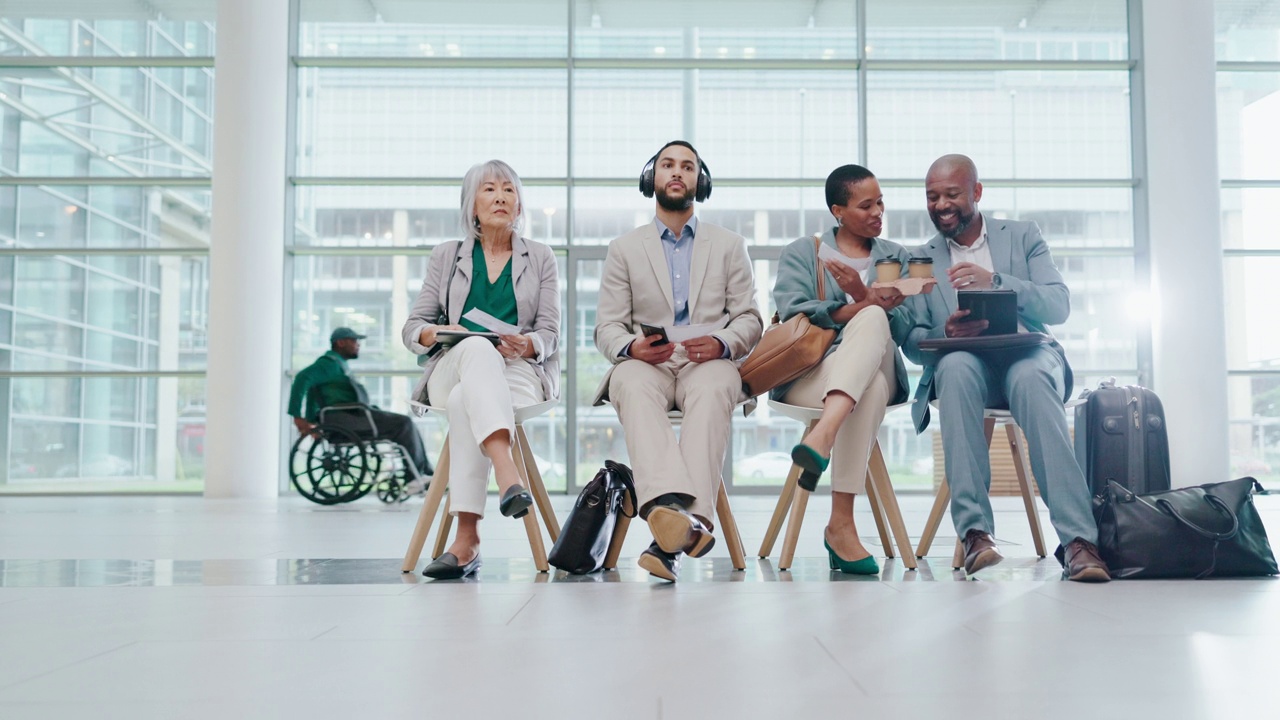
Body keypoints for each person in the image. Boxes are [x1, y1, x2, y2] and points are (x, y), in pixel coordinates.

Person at [900, 153, 1110, 582]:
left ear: (976, 193)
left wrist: (994, 282)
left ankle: (1078, 542)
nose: (941, 204)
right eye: (932, 196)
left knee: (1031, 379)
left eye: (952, 194)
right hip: (966, 363)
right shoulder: (918, 258)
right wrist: (947, 328)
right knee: (954, 370)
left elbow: (1058, 304)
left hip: (1027, 355)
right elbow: (912, 343)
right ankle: (976, 533)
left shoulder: (1021, 236)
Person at [593, 140, 763, 582]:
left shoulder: (730, 245)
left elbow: (749, 318)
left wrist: (723, 342)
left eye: (688, 166)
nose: (677, 172)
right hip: (648, 362)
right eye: (667, 164)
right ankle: (687, 526)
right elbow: (607, 327)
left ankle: (670, 530)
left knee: (712, 389)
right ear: (651, 176)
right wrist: (632, 348)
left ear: (699, 181)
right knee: (626, 380)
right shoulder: (624, 248)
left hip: (707, 361)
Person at [402, 159, 560, 580]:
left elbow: (550, 332)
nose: (501, 198)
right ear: (472, 204)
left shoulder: (541, 258)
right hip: (452, 364)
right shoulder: (446, 256)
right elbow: (412, 328)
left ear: (520, 205)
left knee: (463, 403)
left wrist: (529, 343)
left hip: (516, 373)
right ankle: (507, 472)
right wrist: (438, 332)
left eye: (509, 190)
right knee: (474, 347)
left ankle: (467, 538)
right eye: (489, 189)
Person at [772, 164, 912, 575]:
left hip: (877, 361)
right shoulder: (804, 251)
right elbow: (793, 311)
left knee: (874, 321)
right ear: (838, 210)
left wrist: (862, 294)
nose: (877, 212)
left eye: (880, 202)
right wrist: (862, 301)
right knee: (866, 389)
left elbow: (903, 331)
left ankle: (823, 435)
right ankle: (841, 525)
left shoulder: (895, 258)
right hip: (810, 375)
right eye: (866, 205)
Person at [288, 326, 432, 493]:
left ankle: (424, 473)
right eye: (354, 341)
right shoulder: (327, 364)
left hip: (352, 415)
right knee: (404, 423)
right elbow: (303, 379)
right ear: (340, 343)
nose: (358, 345)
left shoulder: (337, 364)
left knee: (405, 423)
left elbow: (315, 390)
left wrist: (312, 418)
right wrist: (298, 417)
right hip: (349, 418)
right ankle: (415, 477)